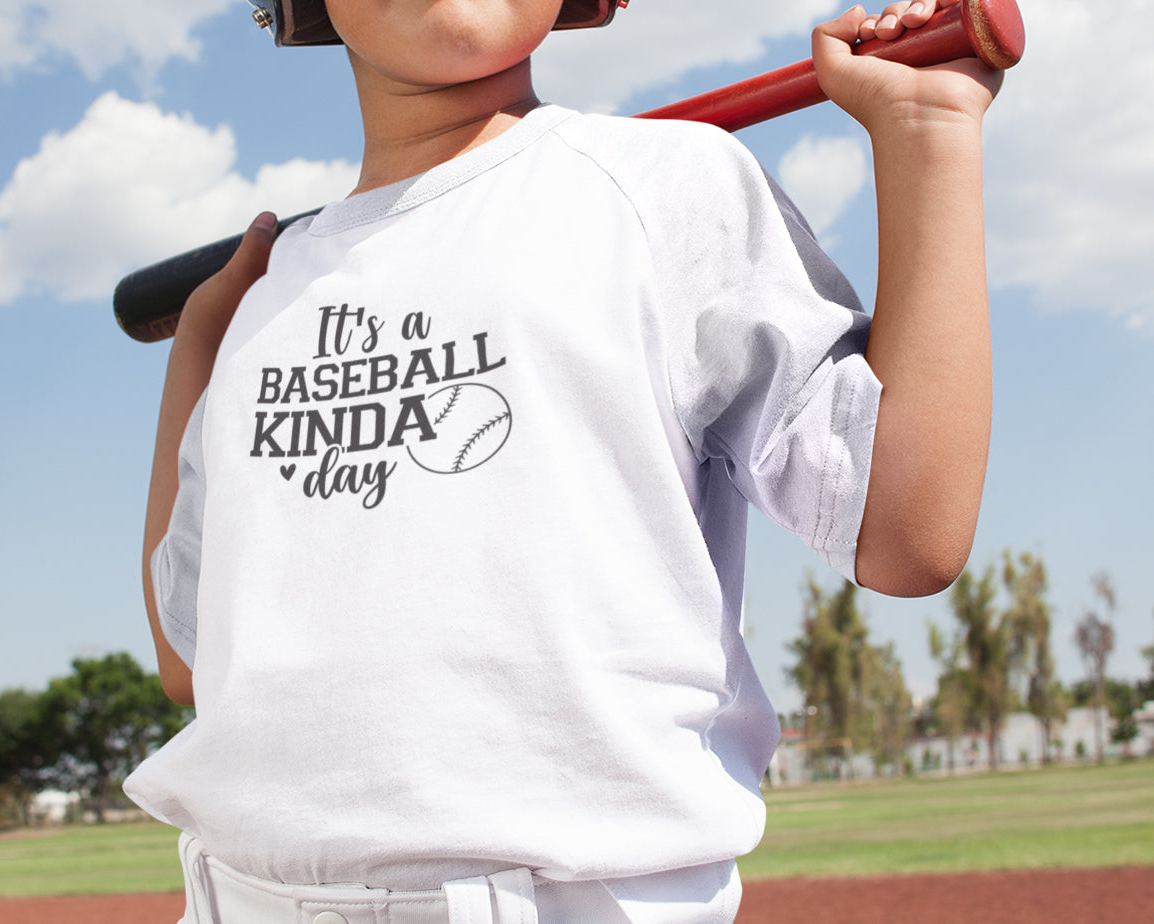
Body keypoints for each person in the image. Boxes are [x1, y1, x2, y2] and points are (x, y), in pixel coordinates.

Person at [124, 1, 1000, 921]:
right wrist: (200, 354)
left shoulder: (663, 186)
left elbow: (906, 532)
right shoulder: (262, 303)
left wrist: (928, 133)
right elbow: (194, 659)